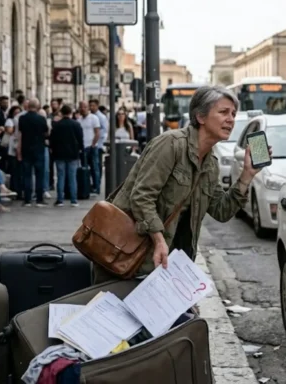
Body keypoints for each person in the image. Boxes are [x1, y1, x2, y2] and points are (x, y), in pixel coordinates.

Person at [91, 86, 268, 284]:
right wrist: (158, 240)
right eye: (223, 112)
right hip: (126, 257)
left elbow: (222, 211)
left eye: (233, 114)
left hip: (168, 266)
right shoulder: (171, 144)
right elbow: (141, 197)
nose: (231, 119)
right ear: (200, 117)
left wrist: (246, 175)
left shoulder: (210, 164)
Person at [17, 98, 50, 207]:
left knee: (27, 175)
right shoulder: (41, 119)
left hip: (26, 149)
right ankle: (39, 199)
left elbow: (20, 135)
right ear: (37, 106)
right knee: (39, 175)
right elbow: (46, 132)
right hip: (39, 149)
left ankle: (27, 199)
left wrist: (19, 151)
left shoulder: (22, 118)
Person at [50, 105, 83, 207]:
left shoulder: (57, 125)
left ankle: (60, 200)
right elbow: (80, 138)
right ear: (71, 113)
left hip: (59, 154)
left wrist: (54, 151)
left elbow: (52, 140)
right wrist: (80, 149)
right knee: (72, 177)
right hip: (73, 154)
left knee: (61, 177)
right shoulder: (76, 124)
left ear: (61, 113)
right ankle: (74, 200)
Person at [77, 101, 101, 195]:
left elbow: (97, 132)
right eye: (81, 107)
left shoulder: (94, 118)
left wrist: (93, 144)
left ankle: (96, 187)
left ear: (88, 108)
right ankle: (87, 186)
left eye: (85, 107)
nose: (83, 109)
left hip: (91, 147)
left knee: (94, 168)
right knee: (85, 168)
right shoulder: (79, 120)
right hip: (83, 147)